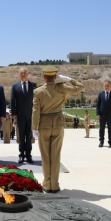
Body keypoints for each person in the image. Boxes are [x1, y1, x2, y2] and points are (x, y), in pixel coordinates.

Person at [32, 65, 84, 193]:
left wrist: (34, 128)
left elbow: (35, 111)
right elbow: (80, 87)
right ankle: (54, 185)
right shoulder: (62, 88)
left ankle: (47, 184)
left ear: (44, 77)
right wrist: (69, 79)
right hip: (58, 124)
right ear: (55, 77)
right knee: (55, 155)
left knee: (45, 156)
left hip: (44, 125)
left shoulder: (38, 92)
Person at [10, 68, 37, 163]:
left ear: (27, 74)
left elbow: (36, 100)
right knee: (21, 136)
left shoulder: (33, 85)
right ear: (19, 75)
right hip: (20, 116)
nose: (23, 74)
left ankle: (28, 155)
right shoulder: (15, 86)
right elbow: (12, 101)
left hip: (31, 115)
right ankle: (21, 155)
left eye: (24, 72)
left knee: (29, 137)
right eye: (21, 73)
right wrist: (14, 113)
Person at [96, 81, 111, 148]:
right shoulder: (101, 94)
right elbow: (98, 105)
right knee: (101, 129)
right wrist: (98, 113)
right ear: (104, 86)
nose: (106, 87)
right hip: (102, 115)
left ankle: (110, 142)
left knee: (110, 129)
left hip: (110, 116)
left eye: (107, 86)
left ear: (110, 86)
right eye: (105, 86)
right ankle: (101, 141)